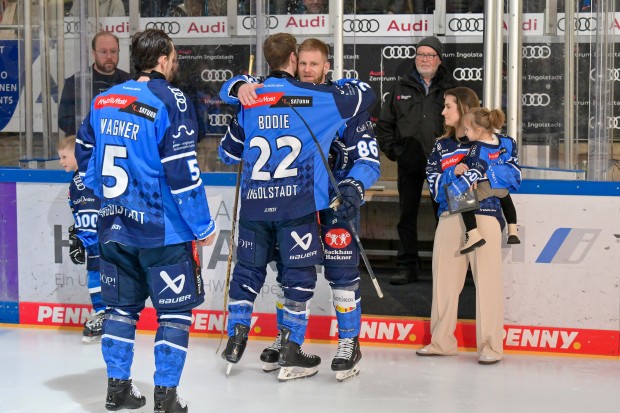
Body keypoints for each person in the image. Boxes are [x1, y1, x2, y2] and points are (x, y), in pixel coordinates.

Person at [217, 32, 375, 381]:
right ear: (293, 62)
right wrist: (241, 84)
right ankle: (286, 338)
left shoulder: (338, 101)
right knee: (288, 275)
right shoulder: (281, 95)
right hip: (294, 203)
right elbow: (242, 92)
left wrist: (354, 187)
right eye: (302, 63)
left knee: (341, 276)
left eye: (313, 64)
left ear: (326, 67)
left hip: (334, 203)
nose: (306, 69)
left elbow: (369, 158)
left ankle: (349, 344)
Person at [75, 29, 217, 412]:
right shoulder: (171, 99)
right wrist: (203, 226)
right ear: (162, 59)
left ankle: (117, 389)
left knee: (120, 310)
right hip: (162, 233)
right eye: (172, 56)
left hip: (113, 227)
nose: (174, 63)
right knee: (174, 313)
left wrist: (103, 198)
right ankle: (165, 398)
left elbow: (84, 151)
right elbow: (183, 172)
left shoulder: (104, 99)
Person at [418, 87, 519, 365]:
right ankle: (441, 341)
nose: (443, 112)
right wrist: (454, 172)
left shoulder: (503, 142)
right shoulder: (442, 146)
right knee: (444, 283)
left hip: (485, 215)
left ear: (463, 109)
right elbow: (435, 187)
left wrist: (483, 171)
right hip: (450, 216)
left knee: (488, 283)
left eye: (448, 106)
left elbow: (512, 177)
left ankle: (490, 346)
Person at [375, 36, 458, 285]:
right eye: (420, 54)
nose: (424, 59)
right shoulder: (400, 87)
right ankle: (406, 266)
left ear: (439, 59)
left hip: (444, 167)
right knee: (407, 216)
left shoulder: (451, 88)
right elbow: (385, 125)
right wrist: (396, 152)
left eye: (429, 55)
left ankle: (448, 267)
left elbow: (463, 123)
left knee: (446, 215)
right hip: (409, 163)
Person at [57, 135, 106, 343]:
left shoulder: (86, 176)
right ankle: (104, 313)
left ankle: (104, 313)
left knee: (97, 274)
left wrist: (84, 234)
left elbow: (90, 208)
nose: (61, 161)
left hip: (99, 238)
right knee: (95, 274)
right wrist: (77, 231)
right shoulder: (79, 177)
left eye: (64, 156)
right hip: (94, 237)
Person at [453, 107, 521, 254]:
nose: (465, 133)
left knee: (460, 199)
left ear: (478, 130)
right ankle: (513, 230)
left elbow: (474, 167)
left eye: (467, 130)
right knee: (506, 200)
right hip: (501, 186)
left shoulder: (477, 148)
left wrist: (463, 171)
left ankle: (473, 235)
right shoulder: (505, 140)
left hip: (485, 185)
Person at [58, 31, 131, 136]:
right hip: (87, 145)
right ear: (94, 53)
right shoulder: (76, 82)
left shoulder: (129, 82)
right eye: (103, 52)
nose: (109, 56)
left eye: (113, 51)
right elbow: (64, 120)